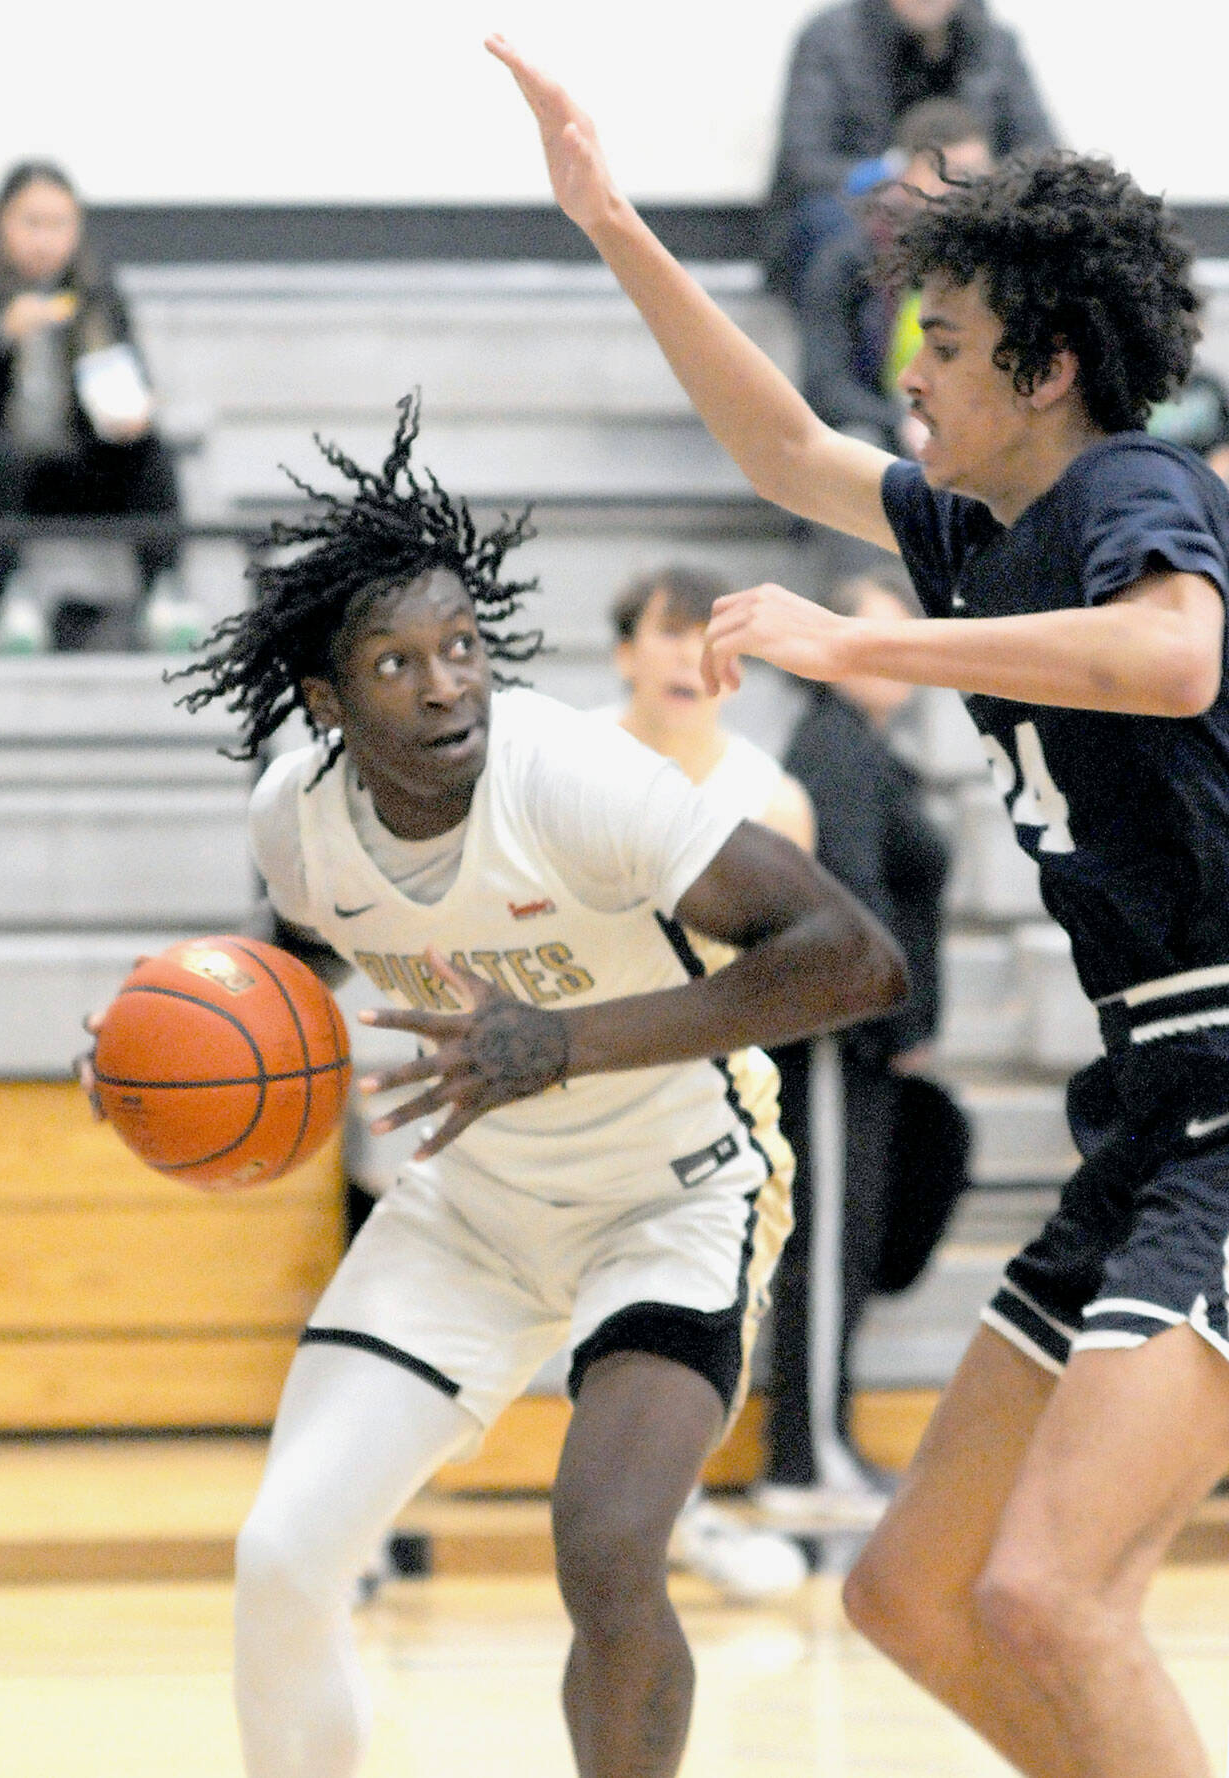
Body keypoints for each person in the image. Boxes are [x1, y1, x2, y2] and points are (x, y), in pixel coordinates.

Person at [491, 39, 1229, 1777]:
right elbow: (775, 437)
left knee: (1051, 1595)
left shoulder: (1132, 491)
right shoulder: (975, 521)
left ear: (1048, 368)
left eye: (949, 346)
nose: (913, 371)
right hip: (1148, 1104)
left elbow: (1177, 650)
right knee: (915, 1590)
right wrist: (614, 221)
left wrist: (858, 637)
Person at [107, 397, 903, 1778]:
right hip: (468, 1210)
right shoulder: (294, 821)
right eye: (397, 662)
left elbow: (858, 959)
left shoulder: (577, 777)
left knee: (603, 1547)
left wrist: (566, 1039)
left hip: (671, 1195)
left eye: (463, 646)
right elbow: (283, 970)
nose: (444, 685)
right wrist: (149, 1053)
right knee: (285, 1556)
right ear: (326, 699)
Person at [605, 560, 815, 1598]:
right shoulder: (566, 762)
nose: (685, 656)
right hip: (566, 1071)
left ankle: (678, 1514)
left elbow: (790, 973)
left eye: (705, 636)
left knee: (681, 1328)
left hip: (699, 1096)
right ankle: (374, 1521)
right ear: (623, 652)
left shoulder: (769, 796)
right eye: (663, 633)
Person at [760, 566, 955, 1529]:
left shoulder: (866, 747)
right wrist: (896, 1023)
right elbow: (850, 891)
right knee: (824, 1246)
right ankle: (803, 1462)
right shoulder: (832, 748)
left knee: (846, 1241)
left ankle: (821, 1448)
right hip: (839, 1044)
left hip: (866, 1046)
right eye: (876, 632)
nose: (901, 647)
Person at [0, 161, 194, 652]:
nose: (45, 240)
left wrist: (129, 410)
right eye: (31, 223)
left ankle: (165, 594)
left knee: (149, 450)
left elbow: (128, 374)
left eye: (58, 224)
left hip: (70, 466)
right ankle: (12, 603)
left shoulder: (94, 288)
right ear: (0, 222)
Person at [761, 0, 1052, 305]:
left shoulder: (993, 41)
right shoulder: (831, 38)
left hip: (971, 205)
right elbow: (803, 162)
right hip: (863, 213)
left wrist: (974, 178)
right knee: (842, 238)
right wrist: (898, 175)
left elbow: (1040, 152)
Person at [798, 98, 993, 457]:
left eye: (976, 177)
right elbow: (826, 386)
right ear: (908, 174)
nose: (963, 192)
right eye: (948, 175)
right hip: (883, 429)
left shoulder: (999, 265)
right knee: (853, 447)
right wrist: (904, 421)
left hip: (971, 426)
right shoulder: (848, 263)